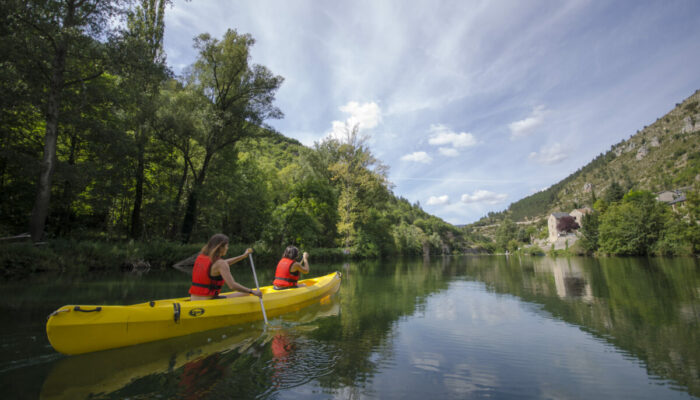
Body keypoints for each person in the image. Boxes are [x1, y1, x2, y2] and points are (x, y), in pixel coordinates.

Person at [189, 233, 262, 301]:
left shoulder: (200, 257)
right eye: (227, 246)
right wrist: (251, 291)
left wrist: (242, 256)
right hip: (209, 301)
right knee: (247, 293)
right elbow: (232, 286)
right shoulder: (220, 263)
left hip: (193, 299)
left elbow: (223, 263)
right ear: (220, 247)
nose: (227, 248)